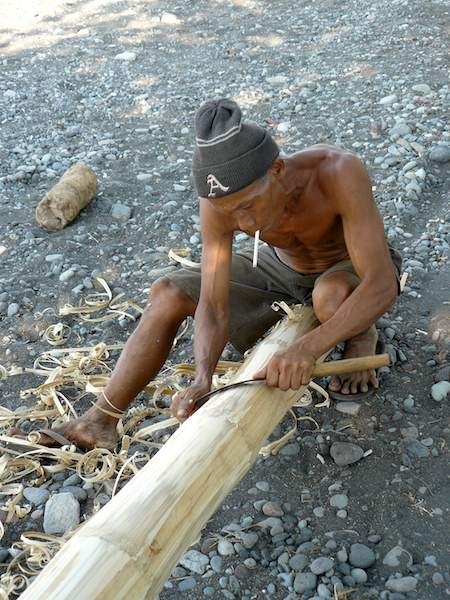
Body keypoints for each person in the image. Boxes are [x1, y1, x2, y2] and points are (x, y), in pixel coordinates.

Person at [17, 99, 401, 450]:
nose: (244, 222)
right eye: (232, 213)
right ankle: (99, 419)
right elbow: (214, 305)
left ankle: (361, 331)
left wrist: (307, 347)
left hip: (344, 267)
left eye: (250, 205)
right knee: (169, 292)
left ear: (278, 169)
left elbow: (381, 282)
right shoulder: (219, 201)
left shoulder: (337, 171)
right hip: (279, 267)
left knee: (330, 297)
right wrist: (204, 375)